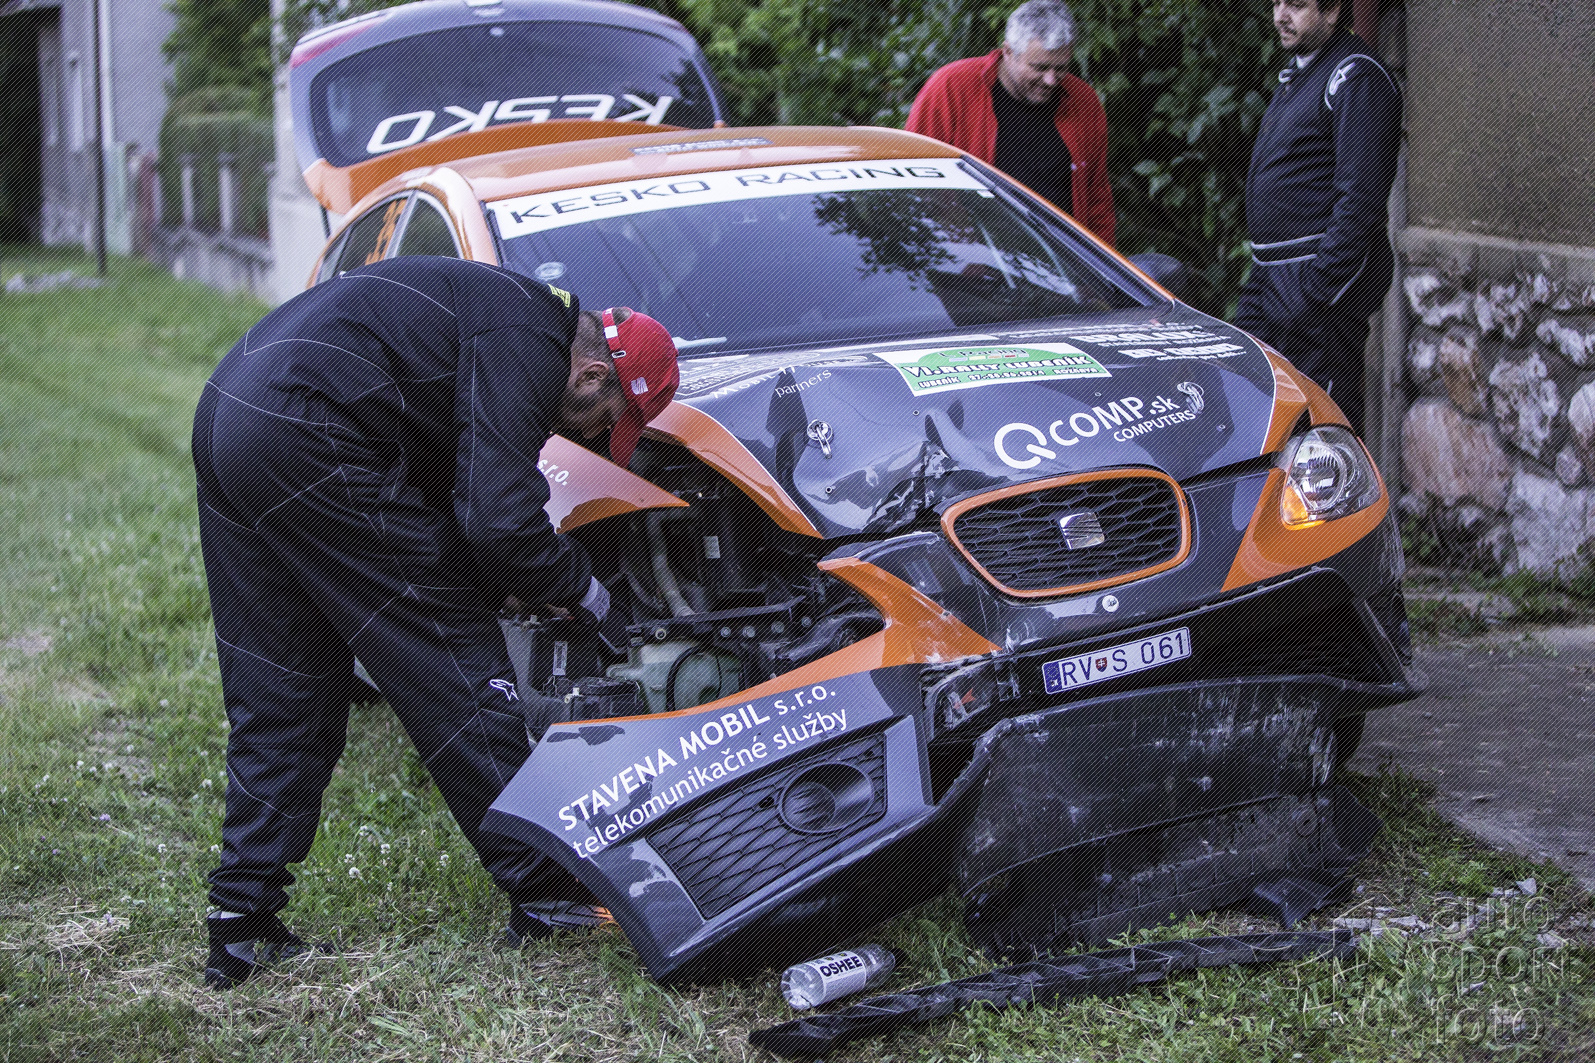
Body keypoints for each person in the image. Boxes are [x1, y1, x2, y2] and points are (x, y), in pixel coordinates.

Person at [191, 255, 679, 989]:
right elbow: (500, 520)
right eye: (603, 425)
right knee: (454, 662)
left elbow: (450, 497)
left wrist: (505, 581)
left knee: (284, 681)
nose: (586, 441)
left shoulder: (500, 316)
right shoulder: (529, 338)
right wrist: (588, 595)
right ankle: (546, 893)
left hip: (233, 408)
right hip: (307, 421)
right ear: (588, 377)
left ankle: (241, 923)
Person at [1234, 0, 1401, 435]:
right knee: (1250, 398)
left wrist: (1317, 291)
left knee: (1321, 423)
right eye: (1276, 2)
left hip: (1313, 282)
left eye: (1297, 4)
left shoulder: (1356, 76)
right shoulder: (1302, 73)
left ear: (1332, 11)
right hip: (1269, 275)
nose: (1280, 15)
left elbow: (1360, 200)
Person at [906, 0, 1114, 246]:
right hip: (969, 255)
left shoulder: (1083, 101)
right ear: (1008, 52)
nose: (1050, 80)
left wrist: (1104, 266)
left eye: (1060, 68)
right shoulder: (952, 87)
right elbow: (912, 180)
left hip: (1055, 259)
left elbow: (1097, 199)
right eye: (1039, 67)